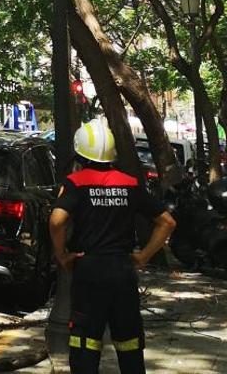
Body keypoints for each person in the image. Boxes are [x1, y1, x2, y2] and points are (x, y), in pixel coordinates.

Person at [49, 118, 176, 374]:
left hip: (89, 272)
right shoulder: (129, 183)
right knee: (129, 343)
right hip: (122, 272)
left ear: (80, 152)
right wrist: (143, 257)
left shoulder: (75, 182)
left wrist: (62, 255)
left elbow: (57, 220)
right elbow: (167, 222)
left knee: (85, 344)